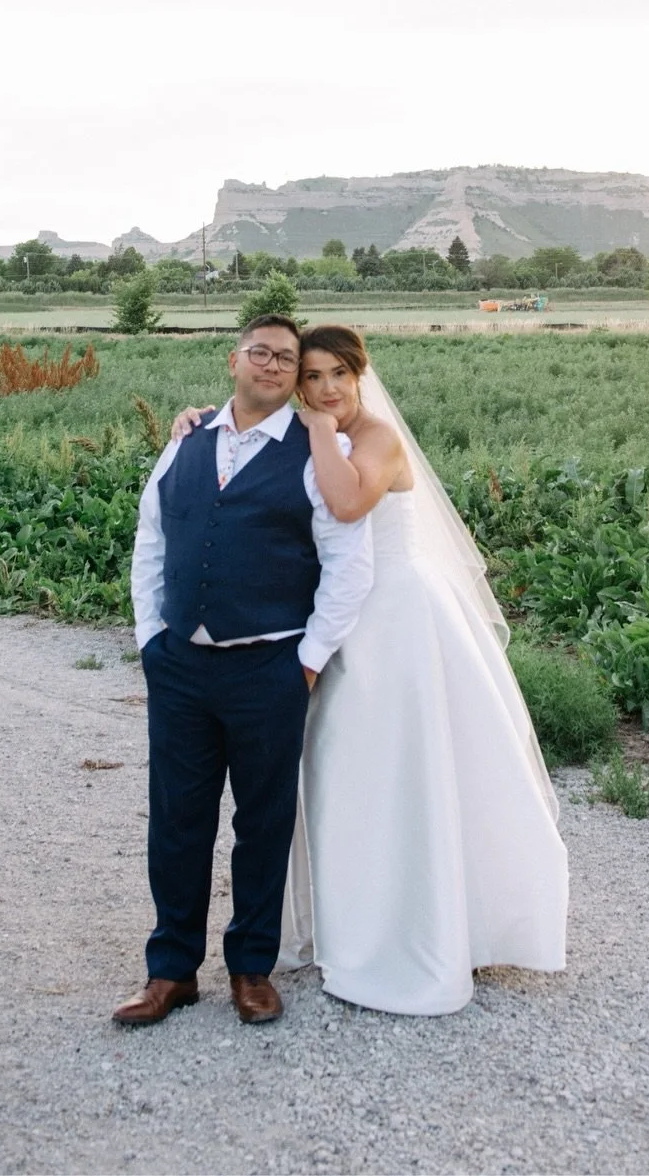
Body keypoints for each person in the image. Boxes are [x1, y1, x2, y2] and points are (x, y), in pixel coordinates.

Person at [170, 323, 568, 1016]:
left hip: (401, 622)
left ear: (360, 374)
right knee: (341, 777)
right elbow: (248, 440)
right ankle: (350, 926)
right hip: (338, 622)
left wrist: (321, 429)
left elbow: (350, 501)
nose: (325, 389)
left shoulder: (375, 436)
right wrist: (200, 420)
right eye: (312, 378)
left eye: (337, 376)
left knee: (413, 775)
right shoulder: (305, 427)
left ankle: (429, 927)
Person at [113, 315, 374, 1029]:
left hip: (270, 665)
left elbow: (350, 565)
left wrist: (308, 660)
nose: (271, 364)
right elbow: (153, 536)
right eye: (260, 351)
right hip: (181, 666)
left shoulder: (319, 450)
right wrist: (151, 640)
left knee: (263, 821)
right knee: (177, 820)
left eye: (286, 358)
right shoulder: (186, 441)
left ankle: (250, 968)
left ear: (296, 377)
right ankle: (170, 971)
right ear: (234, 360)